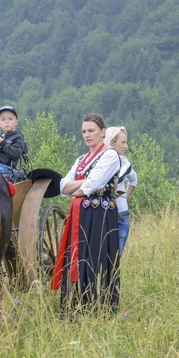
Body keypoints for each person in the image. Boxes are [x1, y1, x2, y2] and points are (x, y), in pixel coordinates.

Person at [51, 113, 121, 314]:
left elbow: (91, 185)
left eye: (91, 130)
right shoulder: (81, 159)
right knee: (77, 257)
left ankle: (98, 307)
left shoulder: (109, 155)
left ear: (103, 132)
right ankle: (76, 306)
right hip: (79, 215)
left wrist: (81, 184)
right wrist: (83, 182)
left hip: (100, 215)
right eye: (84, 131)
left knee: (95, 257)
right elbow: (64, 186)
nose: (87, 135)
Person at [105, 127, 137, 256]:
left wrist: (124, 198)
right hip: (106, 214)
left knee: (115, 258)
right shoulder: (101, 163)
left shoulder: (125, 164)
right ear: (112, 142)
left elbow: (133, 180)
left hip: (121, 214)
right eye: (123, 142)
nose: (126, 146)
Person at [0, 105, 27, 177]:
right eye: (3, 120)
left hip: (6, 168)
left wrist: (3, 143)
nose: (7, 122)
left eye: (10, 119)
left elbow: (16, 154)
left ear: (16, 122)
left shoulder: (18, 137)